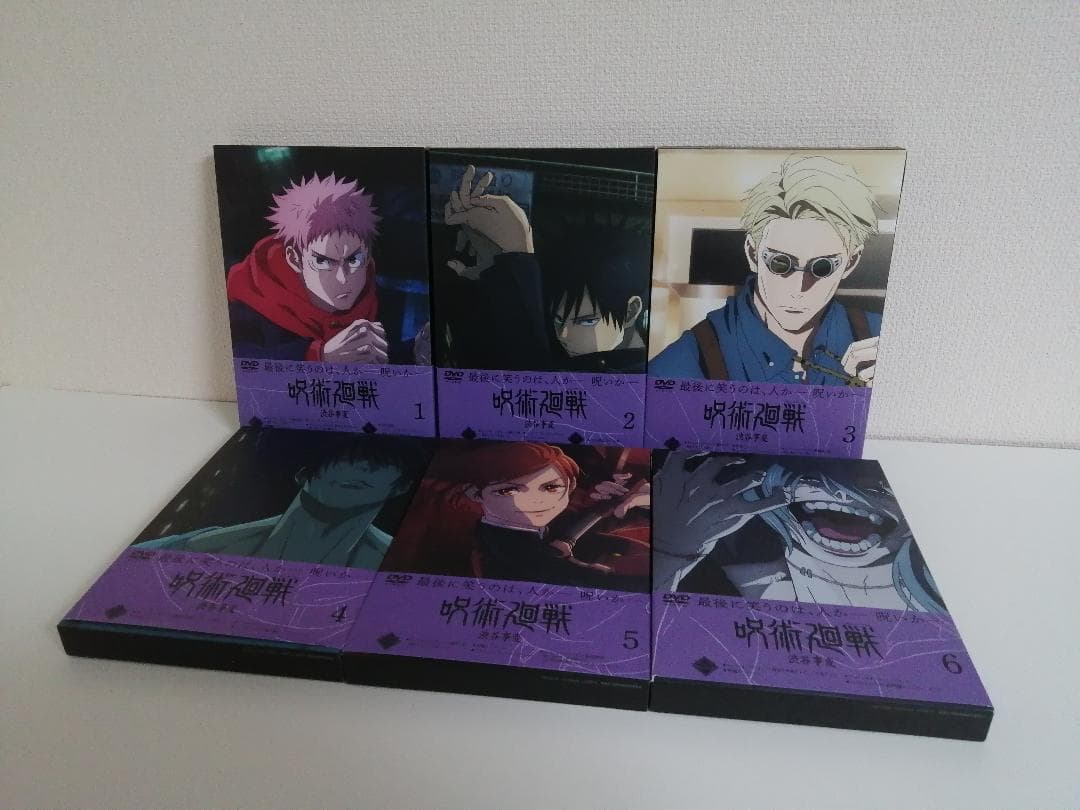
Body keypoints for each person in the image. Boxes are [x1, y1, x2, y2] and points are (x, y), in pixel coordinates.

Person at [649, 155, 883, 386]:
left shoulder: (881, 338)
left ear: (851, 262)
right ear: (753, 253)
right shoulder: (685, 363)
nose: (798, 288)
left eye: (822, 267)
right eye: (780, 263)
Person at [651, 452, 945, 612]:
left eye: (876, 486)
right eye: (810, 478)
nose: (840, 495)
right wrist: (669, 552)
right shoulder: (735, 580)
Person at [438, 164, 649, 372]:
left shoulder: (639, 375)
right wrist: (497, 268)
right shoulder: (576, 360)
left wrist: (516, 255)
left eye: (587, 321)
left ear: (630, 311)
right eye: (558, 321)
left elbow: (533, 375)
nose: (563, 335)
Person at [134, 437, 429, 569]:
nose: (363, 468)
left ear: (402, 485)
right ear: (303, 473)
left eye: (383, 461)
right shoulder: (195, 548)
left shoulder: (401, 565)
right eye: (348, 457)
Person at [396, 442, 650, 589]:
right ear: (475, 493)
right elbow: (597, 579)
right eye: (508, 491)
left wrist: (614, 505)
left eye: (551, 487)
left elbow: (568, 533)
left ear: (570, 488)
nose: (536, 500)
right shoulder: (508, 548)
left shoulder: (527, 527)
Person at [226, 172, 396, 364]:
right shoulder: (251, 305)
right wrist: (319, 356)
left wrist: (415, 351)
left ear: (368, 253)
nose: (343, 278)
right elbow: (236, 362)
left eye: (353, 259)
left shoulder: (376, 299)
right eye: (322, 262)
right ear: (294, 259)